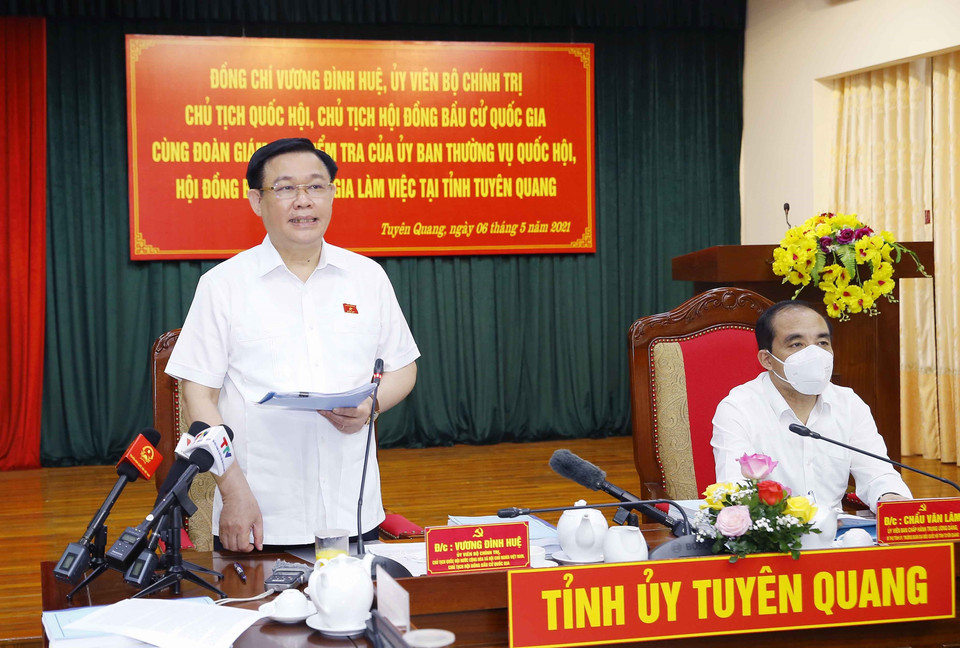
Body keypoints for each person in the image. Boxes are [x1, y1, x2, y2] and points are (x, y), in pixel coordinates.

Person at [165, 138, 420, 552]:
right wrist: (233, 491)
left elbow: (403, 367)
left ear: (332, 194)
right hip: (260, 515)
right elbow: (198, 395)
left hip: (353, 512)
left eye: (316, 186)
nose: (304, 201)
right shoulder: (223, 285)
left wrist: (371, 406)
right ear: (255, 200)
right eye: (285, 188)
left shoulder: (367, 277)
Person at [711, 299, 910, 512]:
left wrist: (891, 497)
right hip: (773, 538)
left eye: (822, 343)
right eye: (797, 344)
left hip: (839, 537)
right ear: (767, 359)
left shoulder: (849, 404)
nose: (813, 354)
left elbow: (878, 474)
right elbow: (735, 491)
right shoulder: (738, 408)